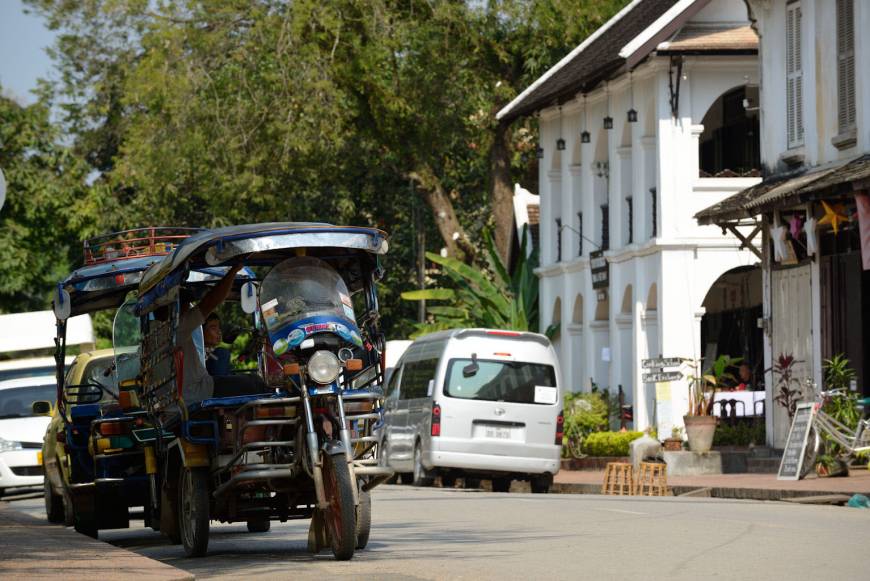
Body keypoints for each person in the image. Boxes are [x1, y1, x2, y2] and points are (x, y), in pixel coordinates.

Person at [177, 264, 265, 404]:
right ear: (199, 329)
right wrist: (234, 269)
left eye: (218, 327)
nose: (218, 332)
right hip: (199, 393)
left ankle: (231, 424)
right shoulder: (182, 326)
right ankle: (236, 424)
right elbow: (211, 301)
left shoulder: (166, 333)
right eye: (212, 327)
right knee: (256, 382)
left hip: (194, 392)